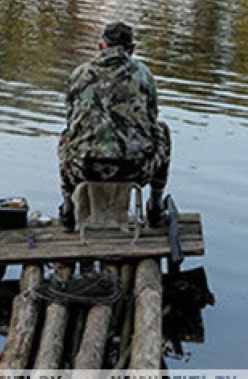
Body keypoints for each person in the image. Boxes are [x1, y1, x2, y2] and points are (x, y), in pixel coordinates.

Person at [58, 21, 171, 232]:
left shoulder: (79, 73)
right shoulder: (143, 74)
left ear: (101, 45)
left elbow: (70, 118)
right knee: (163, 131)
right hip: (134, 171)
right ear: (132, 50)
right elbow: (152, 118)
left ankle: (68, 209)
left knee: (65, 136)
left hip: (84, 170)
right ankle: (155, 209)